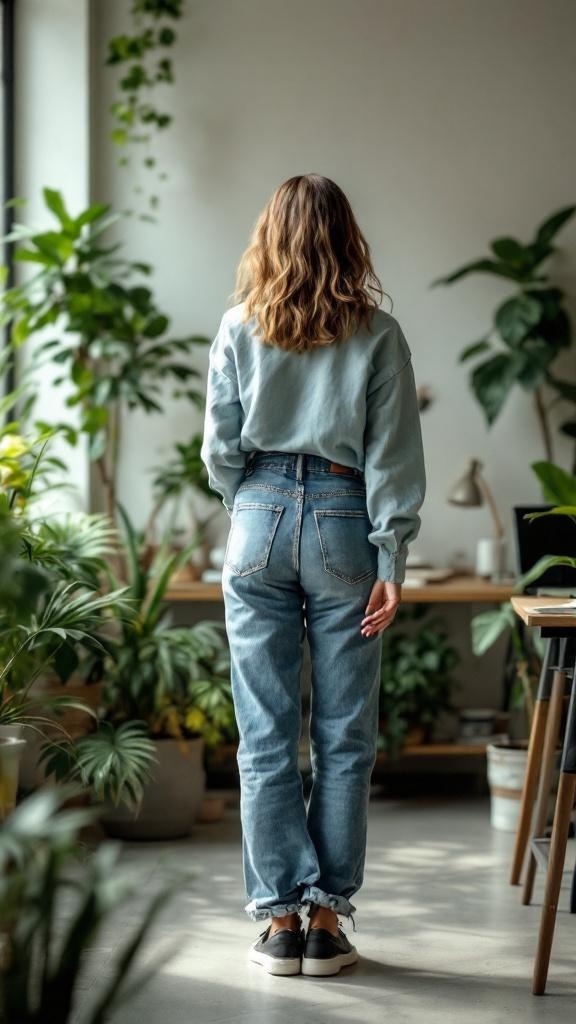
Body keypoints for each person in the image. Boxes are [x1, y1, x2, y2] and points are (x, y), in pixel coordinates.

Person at [201, 173, 426, 977]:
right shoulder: (379, 334)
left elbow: (218, 451)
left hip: (256, 518)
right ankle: (325, 920)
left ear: (270, 239)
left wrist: (256, 507)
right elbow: (393, 457)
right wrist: (390, 555)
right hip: (344, 521)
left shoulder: (237, 326)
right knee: (343, 739)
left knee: (263, 737)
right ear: (345, 240)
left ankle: (277, 926)